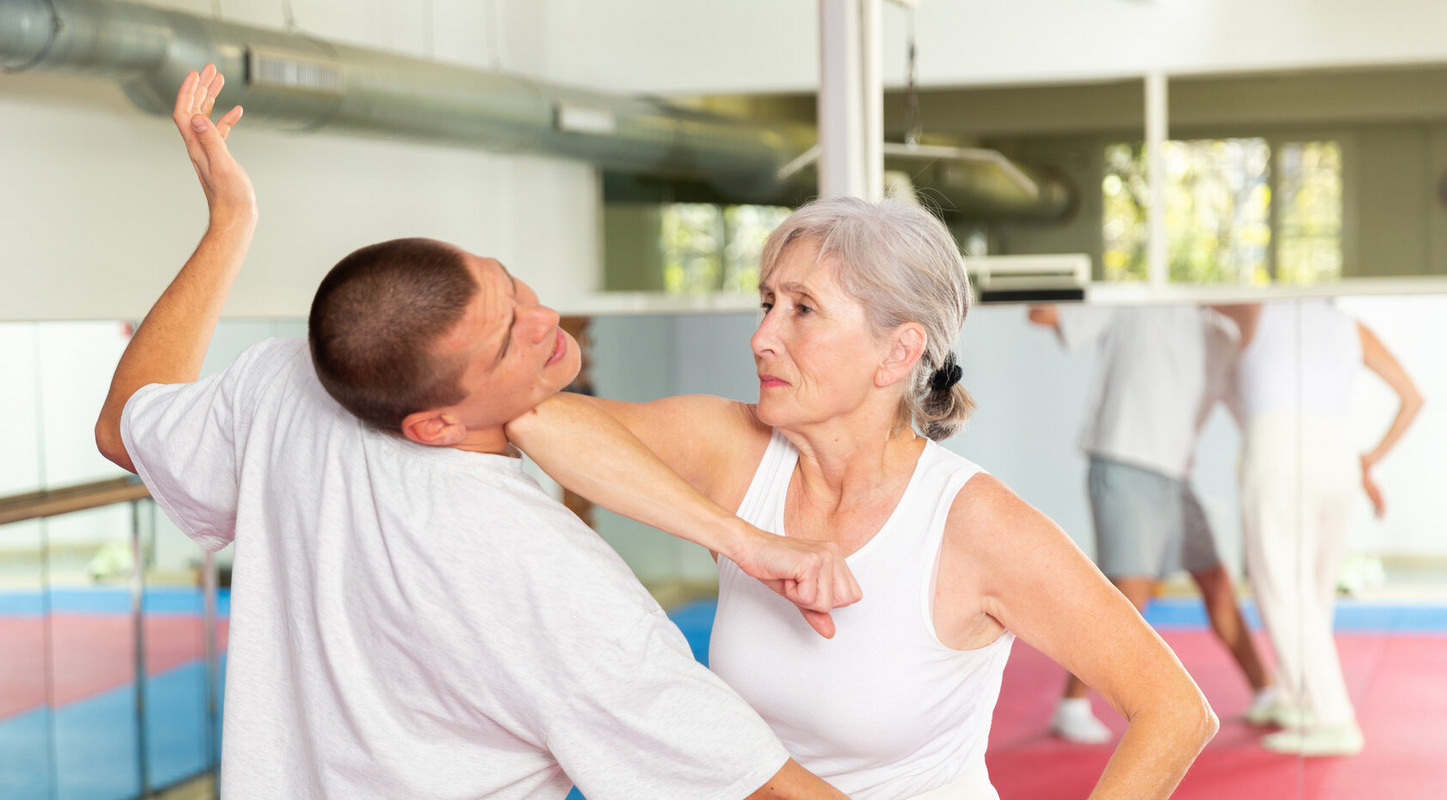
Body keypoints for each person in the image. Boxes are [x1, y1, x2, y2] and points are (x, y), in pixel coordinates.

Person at [93, 64, 859, 799]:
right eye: (508, 343)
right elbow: (764, 791)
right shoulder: (545, 575)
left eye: (509, 285)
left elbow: (125, 424)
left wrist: (230, 223)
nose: (547, 321)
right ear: (434, 425)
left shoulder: (283, 385)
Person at [507, 197, 1218, 800]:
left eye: (803, 310)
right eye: (767, 303)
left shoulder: (972, 524)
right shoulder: (736, 449)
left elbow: (1173, 710)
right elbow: (538, 418)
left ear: (897, 352)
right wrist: (742, 539)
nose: (761, 337)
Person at [1026, 304, 1275, 743]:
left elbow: (1254, 416)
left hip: (1175, 476)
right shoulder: (1139, 299)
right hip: (1124, 460)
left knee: (1216, 582)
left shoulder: (1224, 340)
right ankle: (1071, 704)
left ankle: (1265, 691)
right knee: (1129, 593)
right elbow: (1048, 316)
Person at [1215, 300, 1422, 757]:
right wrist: (1367, 462)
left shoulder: (1255, 309)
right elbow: (1414, 397)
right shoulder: (1350, 326)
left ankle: (1333, 718)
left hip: (1277, 450)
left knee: (1283, 588)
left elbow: (1196, 300)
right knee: (1314, 589)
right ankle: (1296, 696)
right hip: (1337, 455)